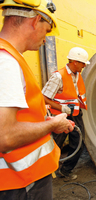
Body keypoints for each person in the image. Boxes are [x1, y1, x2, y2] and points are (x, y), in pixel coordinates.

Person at [0, 0, 73, 199]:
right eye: (47, 30)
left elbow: (17, 120)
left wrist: (45, 123)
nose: (45, 38)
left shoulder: (10, 58)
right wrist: (52, 125)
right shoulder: (6, 63)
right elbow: (4, 136)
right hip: (20, 183)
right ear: (36, 21)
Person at [42, 47, 89, 181]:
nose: (84, 66)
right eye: (82, 63)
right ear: (75, 62)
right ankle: (47, 172)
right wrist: (62, 108)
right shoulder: (58, 76)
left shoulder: (77, 74)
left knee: (79, 142)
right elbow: (44, 96)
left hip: (75, 113)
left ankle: (65, 170)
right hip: (60, 115)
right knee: (55, 144)